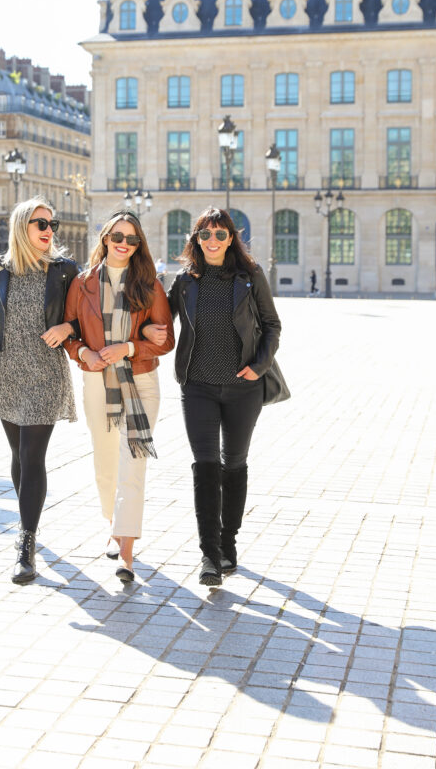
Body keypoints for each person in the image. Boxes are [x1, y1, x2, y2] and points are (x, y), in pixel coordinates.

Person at [144, 207, 281, 587]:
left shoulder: (250, 276)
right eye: (206, 235)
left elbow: (272, 325)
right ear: (196, 240)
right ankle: (208, 554)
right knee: (204, 465)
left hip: (243, 388)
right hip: (198, 386)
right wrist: (144, 331)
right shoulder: (186, 281)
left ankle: (228, 543)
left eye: (221, 235)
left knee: (233, 464)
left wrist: (259, 364)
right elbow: (160, 317)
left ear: (231, 239)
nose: (213, 241)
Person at [0, 197, 78, 584]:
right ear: (22, 227)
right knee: (18, 454)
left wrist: (69, 328)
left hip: (46, 374)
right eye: (41, 224)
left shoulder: (65, 270)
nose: (49, 231)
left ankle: (26, 543)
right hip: (6, 374)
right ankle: (27, 521)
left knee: (33, 456)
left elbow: (87, 315)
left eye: (53, 224)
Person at [64, 211, 174, 582]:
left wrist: (129, 347)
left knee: (133, 460)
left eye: (131, 239)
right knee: (105, 460)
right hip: (97, 381)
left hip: (141, 381)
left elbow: (166, 340)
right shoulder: (82, 284)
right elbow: (71, 334)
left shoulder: (150, 285)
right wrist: (84, 354)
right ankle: (113, 523)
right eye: (117, 237)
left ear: (138, 245)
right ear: (105, 239)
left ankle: (126, 552)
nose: (123, 244)